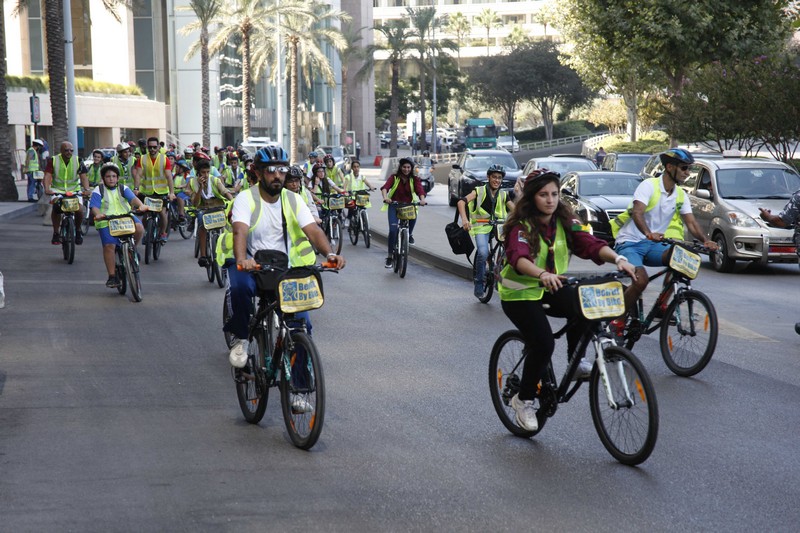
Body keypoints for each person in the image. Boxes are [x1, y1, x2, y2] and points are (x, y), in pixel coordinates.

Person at [499, 170, 637, 432]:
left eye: (554, 194)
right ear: (531, 197)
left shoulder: (564, 219)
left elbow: (589, 243)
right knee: (543, 343)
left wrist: (618, 259)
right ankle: (524, 399)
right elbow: (519, 258)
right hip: (520, 291)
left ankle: (577, 361)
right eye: (543, 195)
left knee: (585, 304)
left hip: (552, 284)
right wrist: (541, 274)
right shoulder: (521, 225)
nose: (550, 200)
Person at [223, 146, 345, 368]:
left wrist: (330, 253)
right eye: (270, 169)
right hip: (251, 265)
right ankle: (241, 338)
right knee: (240, 288)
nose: (277, 175)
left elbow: (314, 231)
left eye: (282, 169)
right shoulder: (245, 198)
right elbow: (239, 230)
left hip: (282, 269)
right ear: (258, 173)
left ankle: (299, 391)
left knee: (301, 326)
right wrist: (242, 259)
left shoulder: (293, 199)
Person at [611, 148, 717, 326]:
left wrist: (706, 240)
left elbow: (691, 223)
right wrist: (648, 233)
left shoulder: (681, 194)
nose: (687, 173)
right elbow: (638, 213)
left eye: (688, 169)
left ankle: (661, 305)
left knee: (681, 259)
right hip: (630, 243)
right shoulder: (649, 185)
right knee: (641, 281)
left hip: (652, 245)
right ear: (669, 167)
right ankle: (618, 322)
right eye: (684, 168)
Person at [457, 164, 515, 297]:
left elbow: (516, 211)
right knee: (483, 252)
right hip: (481, 226)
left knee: (513, 249)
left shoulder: (504, 194)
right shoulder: (479, 191)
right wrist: (465, 220)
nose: (496, 180)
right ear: (488, 177)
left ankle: (501, 272)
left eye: (499, 178)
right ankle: (479, 281)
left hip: (499, 227)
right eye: (494, 177)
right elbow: (461, 202)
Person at [90, 163, 146, 288]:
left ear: (117, 178)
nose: (111, 179)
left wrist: (140, 205)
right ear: (103, 178)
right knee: (109, 246)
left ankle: (132, 249)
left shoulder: (123, 188)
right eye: (108, 176)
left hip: (125, 217)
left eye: (114, 176)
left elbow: (133, 199)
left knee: (139, 227)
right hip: (106, 220)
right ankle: (112, 276)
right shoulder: (98, 190)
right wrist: (98, 214)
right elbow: (94, 206)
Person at [380, 158, 427, 267]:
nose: (406, 169)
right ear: (400, 167)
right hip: (394, 206)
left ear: (411, 169)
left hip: (408, 206)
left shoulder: (414, 179)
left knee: (414, 212)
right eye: (404, 167)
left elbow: (420, 190)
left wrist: (422, 199)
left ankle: (409, 234)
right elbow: (385, 187)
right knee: (393, 230)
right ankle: (390, 257)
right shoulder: (394, 177)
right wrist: (385, 197)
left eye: (408, 167)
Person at [190, 155, 234, 268]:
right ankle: (203, 255)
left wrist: (233, 202)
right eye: (203, 172)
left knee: (228, 224)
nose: (205, 175)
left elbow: (225, 192)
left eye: (207, 172)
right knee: (201, 223)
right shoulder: (193, 182)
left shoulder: (215, 180)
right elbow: (195, 203)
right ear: (198, 172)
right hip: (203, 209)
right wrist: (200, 187)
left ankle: (227, 251)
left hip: (218, 207)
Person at [43, 141, 89, 245]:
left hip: (74, 190)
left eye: (71, 150)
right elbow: (47, 175)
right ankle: (56, 233)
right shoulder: (53, 160)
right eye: (66, 150)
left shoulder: (78, 160)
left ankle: (77, 230)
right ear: (61, 151)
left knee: (80, 210)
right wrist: (47, 189)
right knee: (56, 208)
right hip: (58, 190)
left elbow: (84, 176)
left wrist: (86, 189)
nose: (69, 152)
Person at [134, 136, 175, 242]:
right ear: (147, 147)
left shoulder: (164, 159)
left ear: (158, 147)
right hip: (147, 192)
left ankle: (163, 233)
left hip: (161, 192)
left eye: (154, 147)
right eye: (150, 147)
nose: (152, 149)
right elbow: (138, 175)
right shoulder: (142, 159)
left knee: (162, 213)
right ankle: (146, 233)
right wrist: (136, 188)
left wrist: (171, 193)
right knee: (146, 214)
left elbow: (169, 176)